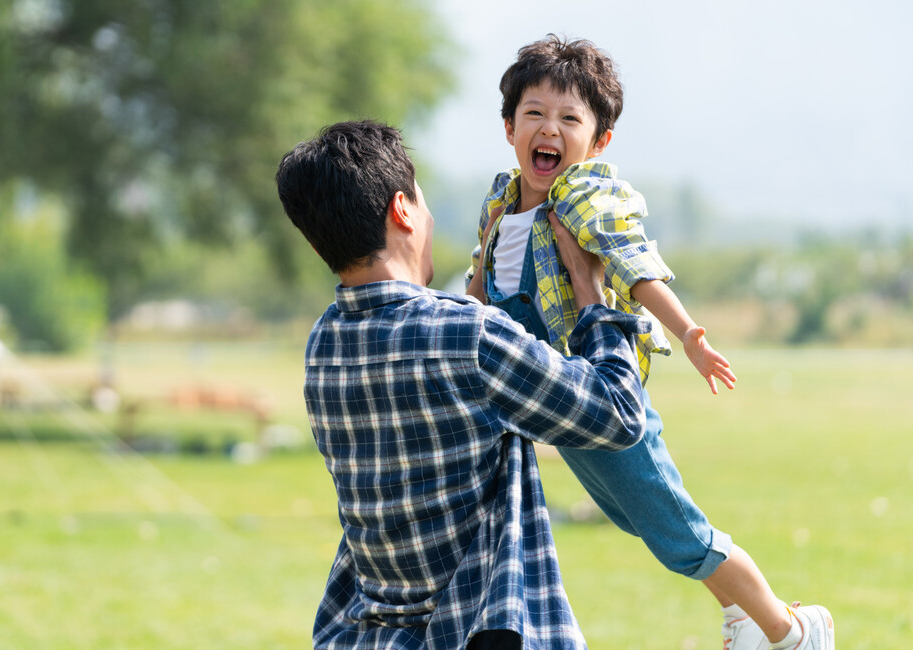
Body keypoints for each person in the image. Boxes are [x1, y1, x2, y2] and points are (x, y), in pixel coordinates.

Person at [465, 35, 834, 650]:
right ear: (509, 127)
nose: (548, 128)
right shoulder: (499, 205)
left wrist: (688, 332)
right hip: (551, 403)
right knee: (643, 520)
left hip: (602, 398)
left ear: (598, 140)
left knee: (678, 532)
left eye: (569, 118)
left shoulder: (583, 197)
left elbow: (633, 264)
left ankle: (792, 630)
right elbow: (480, 282)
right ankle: (744, 617)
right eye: (534, 113)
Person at [276, 119, 652, 649]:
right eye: (423, 203)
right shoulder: (466, 336)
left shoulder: (324, 345)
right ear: (402, 210)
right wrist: (591, 294)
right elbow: (617, 413)